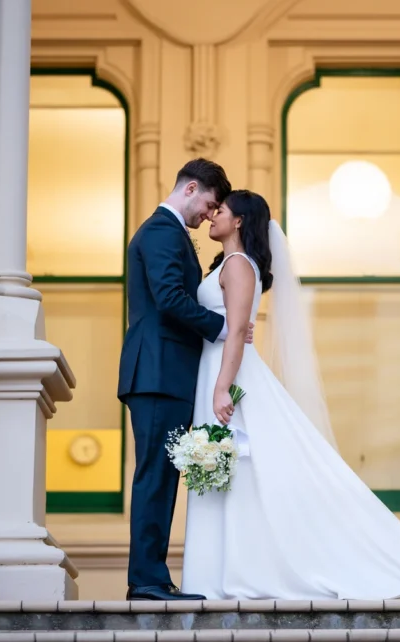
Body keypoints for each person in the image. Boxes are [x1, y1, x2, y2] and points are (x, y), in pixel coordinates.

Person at [180, 189, 400, 600]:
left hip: (231, 377)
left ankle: (237, 571)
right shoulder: (230, 264)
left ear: (239, 220)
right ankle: (222, 571)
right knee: (229, 473)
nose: (211, 217)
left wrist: (223, 387)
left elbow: (238, 329)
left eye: (219, 211)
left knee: (235, 470)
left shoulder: (239, 265)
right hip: (220, 370)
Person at [117, 159, 253, 601]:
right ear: (190, 188)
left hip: (166, 372)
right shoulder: (161, 231)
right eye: (209, 205)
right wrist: (223, 327)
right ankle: (147, 581)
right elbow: (171, 298)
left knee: (161, 475)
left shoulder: (170, 233)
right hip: (158, 372)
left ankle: (153, 576)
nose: (208, 216)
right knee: (155, 475)